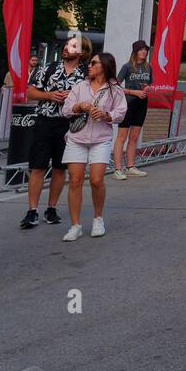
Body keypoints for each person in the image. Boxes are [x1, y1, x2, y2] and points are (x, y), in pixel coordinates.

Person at [20, 34, 89, 230]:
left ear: (81, 53)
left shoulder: (86, 74)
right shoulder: (48, 68)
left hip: (68, 124)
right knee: (38, 166)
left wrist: (74, 100)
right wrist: (49, 95)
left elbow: (92, 97)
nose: (67, 48)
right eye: (67, 44)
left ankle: (52, 208)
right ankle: (32, 211)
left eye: (73, 46)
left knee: (60, 168)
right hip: (44, 121)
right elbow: (30, 91)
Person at [59, 52, 127, 241]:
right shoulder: (80, 86)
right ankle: (75, 225)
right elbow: (65, 110)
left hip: (100, 138)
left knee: (96, 180)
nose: (89, 65)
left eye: (94, 63)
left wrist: (106, 115)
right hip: (76, 137)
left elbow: (121, 113)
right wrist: (79, 105)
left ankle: (98, 218)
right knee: (75, 180)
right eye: (89, 63)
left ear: (104, 66)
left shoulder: (115, 89)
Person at [113, 41, 153, 180]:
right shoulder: (127, 66)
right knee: (121, 137)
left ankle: (130, 166)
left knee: (134, 138)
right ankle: (117, 169)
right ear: (135, 51)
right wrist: (133, 92)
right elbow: (115, 87)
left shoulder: (148, 67)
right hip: (127, 104)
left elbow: (148, 84)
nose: (144, 52)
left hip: (142, 104)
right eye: (141, 50)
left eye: (145, 50)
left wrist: (147, 88)